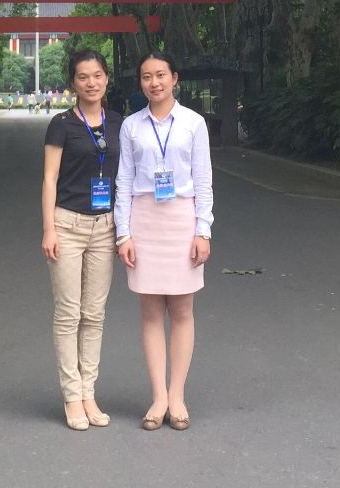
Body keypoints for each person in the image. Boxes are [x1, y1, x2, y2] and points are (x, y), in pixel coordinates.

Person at [114, 51, 213, 433]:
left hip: (181, 219)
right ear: (140, 83)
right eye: (146, 77)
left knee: (183, 311)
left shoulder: (193, 123)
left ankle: (177, 395)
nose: (153, 83)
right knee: (151, 312)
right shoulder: (131, 126)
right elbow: (124, 179)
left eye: (160, 75)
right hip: (144, 219)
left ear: (175, 78)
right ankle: (158, 396)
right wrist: (124, 233)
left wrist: (202, 230)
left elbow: (203, 180)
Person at [41, 50, 120, 431]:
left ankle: (89, 392)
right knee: (68, 313)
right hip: (67, 224)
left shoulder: (119, 123)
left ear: (107, 78)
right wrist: (49, 229)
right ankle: (72, 396)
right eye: (83, 76)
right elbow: (49, 179)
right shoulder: (61, 124)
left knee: (94, 314)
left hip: (105, 227)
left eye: (98, 75)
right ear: (73, 82)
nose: (92, 82)